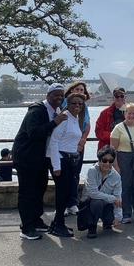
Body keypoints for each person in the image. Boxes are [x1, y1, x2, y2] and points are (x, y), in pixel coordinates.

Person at [12, 83, 68, 240]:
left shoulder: (55, 110)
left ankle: (36, 220)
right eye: (56, 94)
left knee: (39, 190)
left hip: (40, 158)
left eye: (61, 95)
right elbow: (34, 133)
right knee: (27, 192)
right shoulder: (37, 110)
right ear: (48, 95)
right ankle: (26, 227)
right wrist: (54, 122)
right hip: (26, 158)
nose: (59, 97)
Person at [46, 92, 86, 237]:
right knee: (62, 193)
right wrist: (56, 165)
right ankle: (59, 225)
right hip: (61, 159)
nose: (77, 106)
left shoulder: (75, 119)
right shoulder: (64, 118)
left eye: (80, 103)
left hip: (70, 160)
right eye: (74, 103)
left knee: (68, 192)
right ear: (68, 104)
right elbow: (54, 141)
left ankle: (56, 224)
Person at [61, 80, 92, 216]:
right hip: (66, 144)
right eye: (77, 89)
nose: (79, 92)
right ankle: (62, 204)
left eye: (82, 90)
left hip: (79, 145)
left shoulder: (84, 107)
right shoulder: (65, 105)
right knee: (63, 175)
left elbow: (88, 125)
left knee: (75, 174)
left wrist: (82, 142)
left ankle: (72, 202)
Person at [80, 145, 122, 238]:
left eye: (110, 161)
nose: (107, 163)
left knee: (110, 218)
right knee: (97, 203)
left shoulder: (116, 176)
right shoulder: (92, 171)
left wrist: (118, 218)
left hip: (107, 203)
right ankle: (92, 226)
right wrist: (112, 198)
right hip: (90, 202)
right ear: (99, 160)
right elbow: (93, 193)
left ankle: (107, 221)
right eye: (104, 160)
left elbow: (118, 197)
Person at [95, 87, 127, 151]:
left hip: (125, 149)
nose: (119, 98)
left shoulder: (130, 112)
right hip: (107, 149)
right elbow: (98, 132)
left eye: (122, 96)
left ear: (125, 97)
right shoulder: (104, 113)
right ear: (113, 98)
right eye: (117, 96)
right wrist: (116, 136)